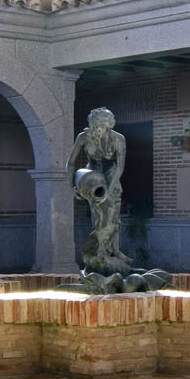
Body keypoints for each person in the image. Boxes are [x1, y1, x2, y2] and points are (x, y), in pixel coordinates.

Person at [68, 107, 131, 273]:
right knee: (99, 216)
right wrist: (71, 186)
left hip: (112, 175)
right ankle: (100, 250)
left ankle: (116, 250)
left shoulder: (118, 139)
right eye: (100, 124)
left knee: (114, 216)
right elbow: (71, 162)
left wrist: (110, 190)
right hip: (94, 177)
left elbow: (120, 167)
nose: (103, 128)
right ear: (94, 124)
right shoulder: (84, 137)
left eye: (107, 124)